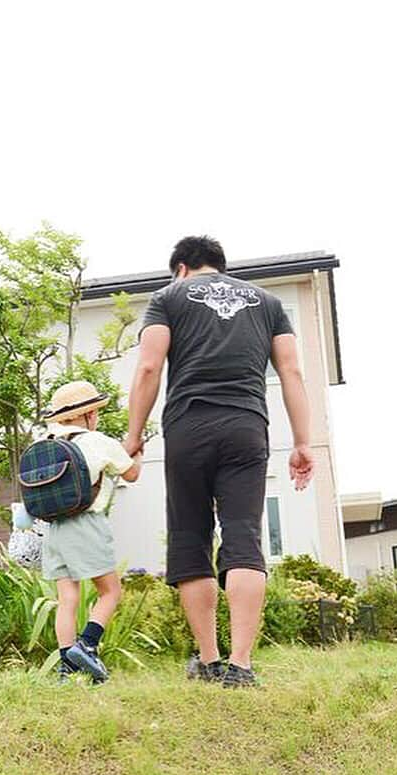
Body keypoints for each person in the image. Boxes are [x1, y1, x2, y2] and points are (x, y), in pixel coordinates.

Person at [124, 235, 314, 687]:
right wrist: (303, 442)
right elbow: (290, 370)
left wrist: (133, 436)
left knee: (191, 537)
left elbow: (149, 367)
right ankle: (242, 665)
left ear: (182, 269)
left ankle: (209, 661)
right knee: (244, 536)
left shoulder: (168, 297)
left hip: (188, 428)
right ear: (220, 267)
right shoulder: (267, 303)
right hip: (247, 427)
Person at [40, 381, 143, 683]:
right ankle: (86, 645)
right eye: (94, 411)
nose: (96, 416)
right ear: (86, 416)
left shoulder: (46, 440)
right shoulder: (97, 441)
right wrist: (135, 455)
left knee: (67, 598)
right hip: (85, 523)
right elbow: (131, 474)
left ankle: (65, 668)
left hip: (54, 528)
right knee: (110, 591)